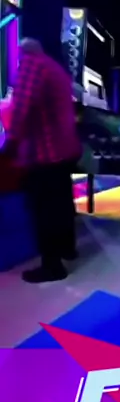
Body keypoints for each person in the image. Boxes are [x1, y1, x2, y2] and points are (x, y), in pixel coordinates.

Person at [2, 39, 82, 283]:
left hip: (44, 152)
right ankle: (68, 249)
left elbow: (21, 108)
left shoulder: (31, 65)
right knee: (62, 203)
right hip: (64, 149)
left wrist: (10, 144)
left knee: (44, 210)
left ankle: (52, 266)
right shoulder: (54, 67)